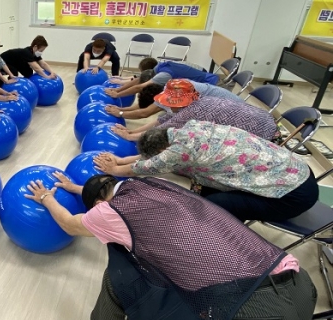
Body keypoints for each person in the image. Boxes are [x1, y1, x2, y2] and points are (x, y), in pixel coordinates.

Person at [24, 172, 316, 320]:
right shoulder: (153, 184)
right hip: (301, 289)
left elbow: (70, 224)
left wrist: (46, 198)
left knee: (120, 276)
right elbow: (107, 196)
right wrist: (78, 188)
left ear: (99, 205)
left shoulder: (108, 212)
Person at [94, 120, 318, 222]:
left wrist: (114, 168)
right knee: (201, 189)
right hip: (299, 171)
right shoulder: (188, 129)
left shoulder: (177, 152)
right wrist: (122, 158)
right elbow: (155, 158)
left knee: (211, 207)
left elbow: (142, 168)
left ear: (163, 150)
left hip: (292, 195)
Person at [111, 79, 279, 142]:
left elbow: (161, 131)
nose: (167, 105)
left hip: (262, 134)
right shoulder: (196, 100)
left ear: (178, 102)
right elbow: (163, 120)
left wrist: (130, 136)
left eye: (169, 102)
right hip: (264, 119)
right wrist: (132, 131)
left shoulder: (192, 112)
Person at [105, 78, 243, 121]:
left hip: (233, 110)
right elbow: (147, 109)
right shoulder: (171, 87)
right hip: (232, 102)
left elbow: (144, 113)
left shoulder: (174, 95)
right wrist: (121, 109)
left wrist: (120, 113)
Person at [104, 57, 219, 99]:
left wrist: (117, 94)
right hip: (202, 75)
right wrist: (118, 88)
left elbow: (138, 87)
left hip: (210, 83)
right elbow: (138, 80)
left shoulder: (163, 76)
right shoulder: (159, 66)